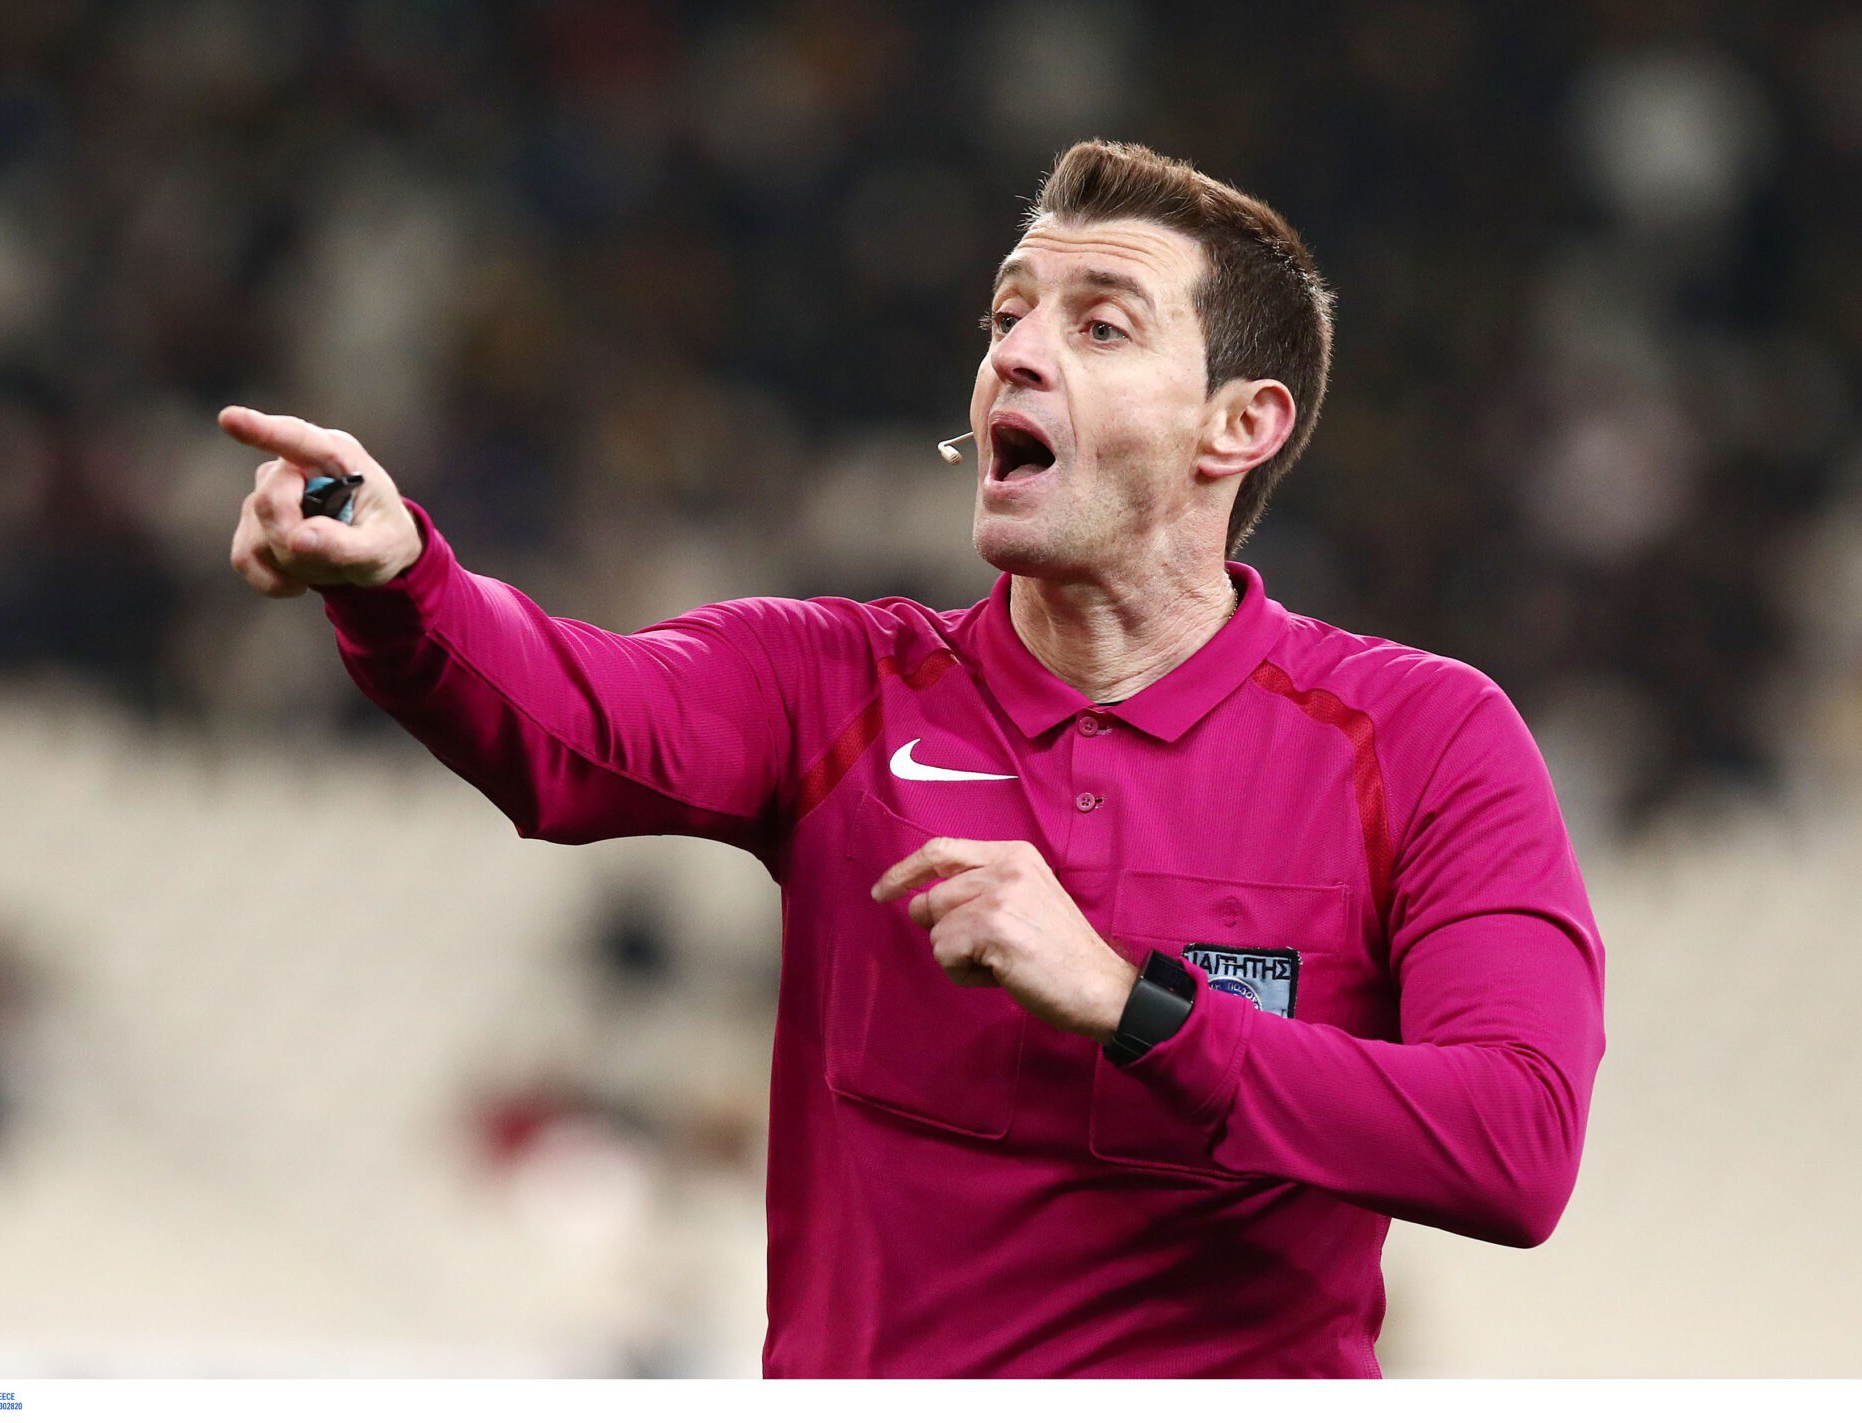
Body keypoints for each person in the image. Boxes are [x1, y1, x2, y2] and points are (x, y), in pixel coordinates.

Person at [222, 138, 1606, 1378]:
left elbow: (1518, 1145)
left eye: (1099, 325)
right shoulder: (835, 685)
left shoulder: (1425, 738)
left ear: (1239, 426)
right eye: (1007, 318)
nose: (1017, 353)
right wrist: (398, 577)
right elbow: (566, 727)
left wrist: (1139, 1009)